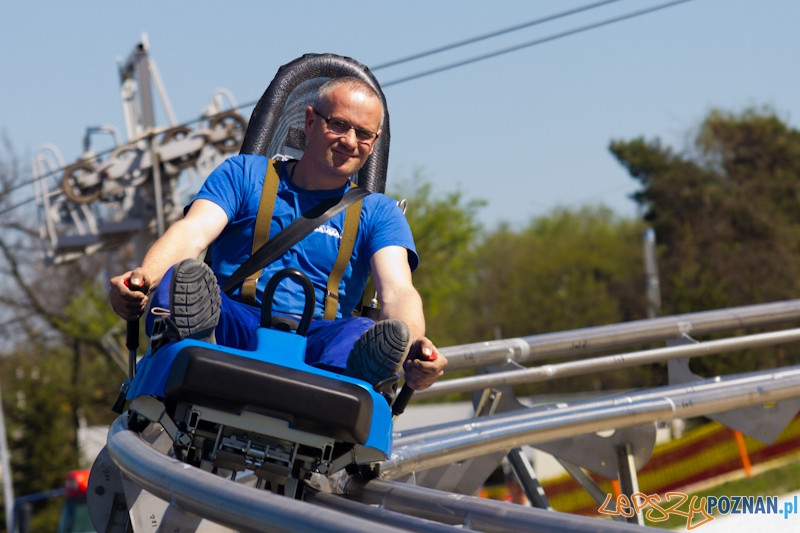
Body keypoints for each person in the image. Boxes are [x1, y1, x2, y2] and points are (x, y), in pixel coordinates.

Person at [108, 76, 446, 391]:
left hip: (319, 340)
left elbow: (398, 291)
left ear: (374, 144)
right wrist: (143, 278)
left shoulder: (379, 212)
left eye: (363, 133)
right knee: (181, 278)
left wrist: (416, 347)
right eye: (339, 125)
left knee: (365, 332)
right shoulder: (244, 175)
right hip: (232, 320)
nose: (350, 141)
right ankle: (198, 346)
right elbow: (192, 233)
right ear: (310, 121)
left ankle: (353, 376)